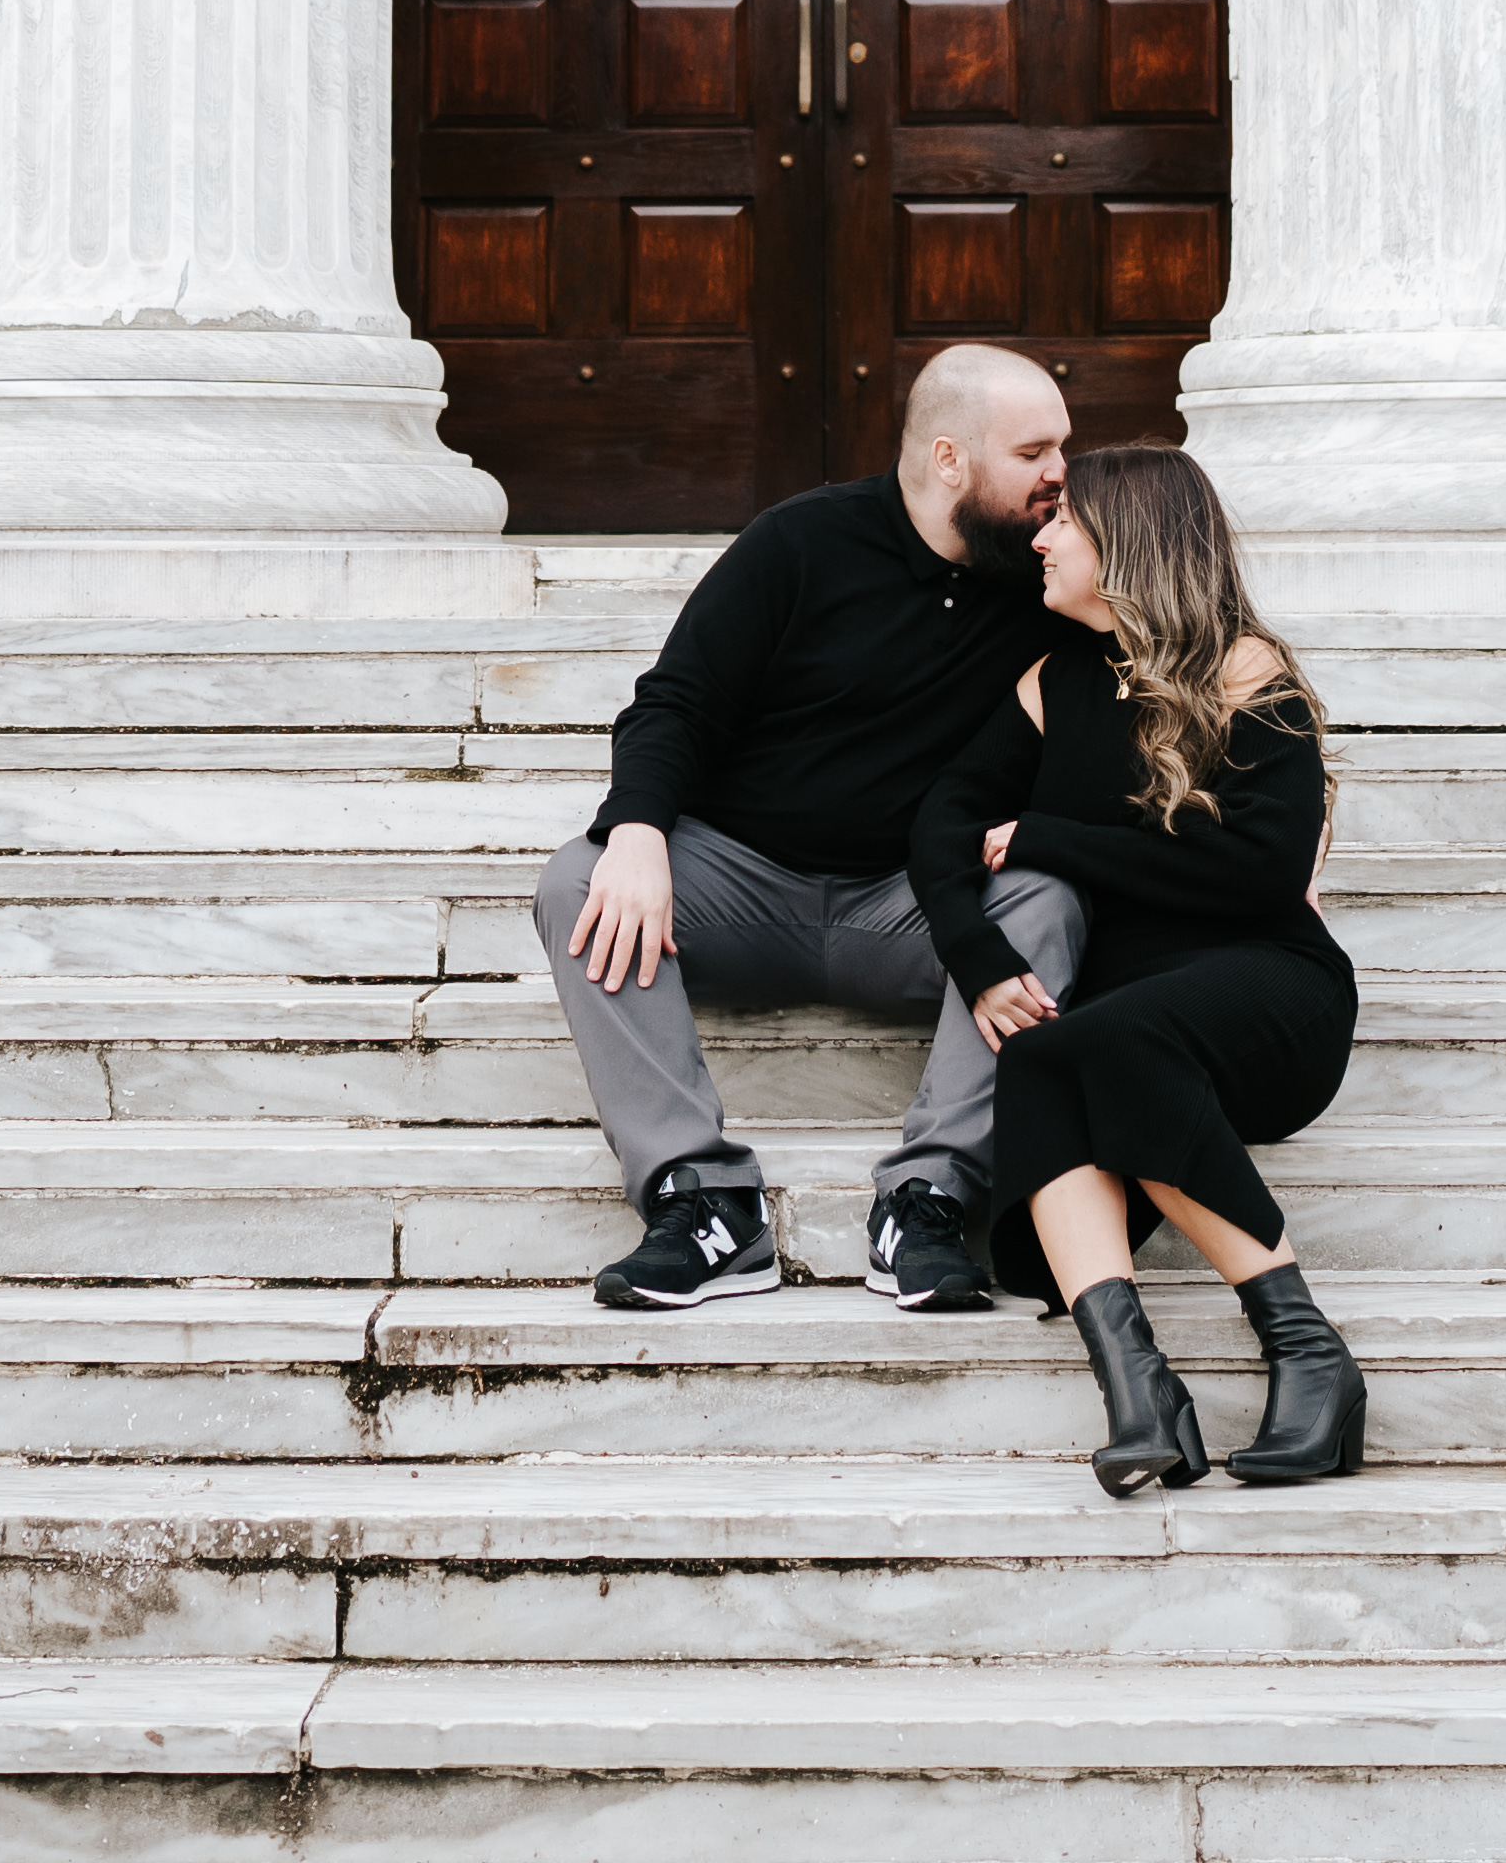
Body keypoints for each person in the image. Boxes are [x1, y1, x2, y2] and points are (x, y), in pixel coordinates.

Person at [538, 344, 1092, 1314]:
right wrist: (636, 830)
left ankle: (931, 1197)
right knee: (576, 879)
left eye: (1065, 450)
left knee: (1047, 895)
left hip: (916, 908)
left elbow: (1180, 681)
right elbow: (676, 703)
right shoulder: (801, 542)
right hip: (744, 888)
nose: (1060, 476)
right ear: (951, 457)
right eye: (1035, 451)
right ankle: (704, 1204)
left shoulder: (1048, 578)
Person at [909, 442, 1363, 1494]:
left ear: (1130, 543)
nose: (1043, 535)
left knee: (1100, 1042)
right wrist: (976, 956)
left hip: (1271, 992)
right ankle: (1140, 1392)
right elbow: (942, 822)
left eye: (1066, 519)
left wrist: (1050, 837)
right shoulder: (1050, 682)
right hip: (1136, 1033)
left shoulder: (1247, 670)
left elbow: (1259, 872)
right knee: (1045, 1056)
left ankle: (1310, 1352)